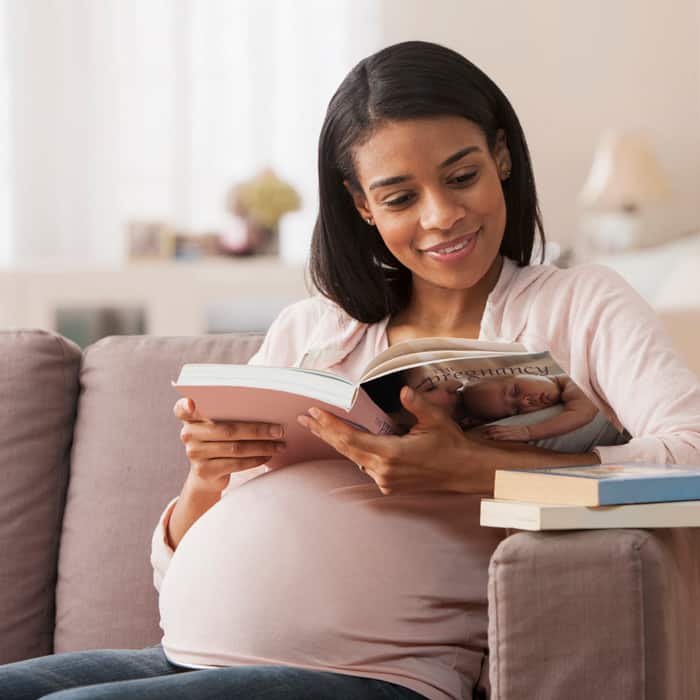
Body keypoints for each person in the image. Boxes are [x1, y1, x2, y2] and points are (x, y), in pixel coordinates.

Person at [2, 40, 699, 700]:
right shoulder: (314, 327)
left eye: (462, 177)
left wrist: (471, 468)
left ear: (502, 158)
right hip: (188, 652)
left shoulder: (581, 302)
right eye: (399, 197)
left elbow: (690, 461)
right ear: (361, 204)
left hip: (378, 672)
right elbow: (175, 572)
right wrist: (208, 477)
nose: (442, 216)